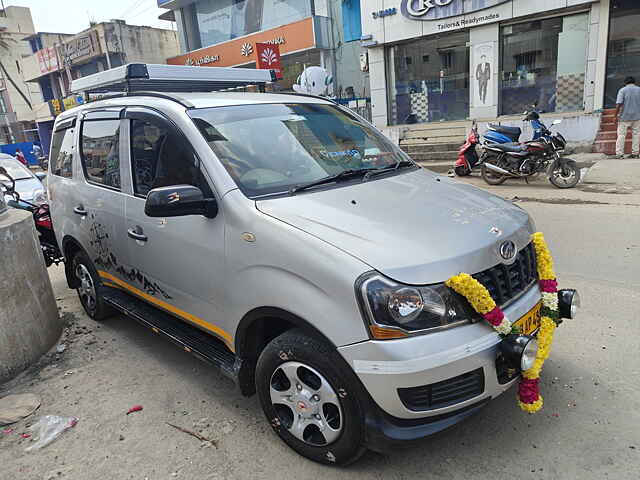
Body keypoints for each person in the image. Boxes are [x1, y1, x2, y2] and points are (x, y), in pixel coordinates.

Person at [614, 76, 640, 159]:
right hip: (637, 117)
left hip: (624, 117)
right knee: (636, 135)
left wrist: (615, 116)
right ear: (634, 82)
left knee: (621, 135)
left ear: (625, 83)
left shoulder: (622, 90)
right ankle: (635, 153)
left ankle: (619, 154)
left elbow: (618, 104)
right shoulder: (639, 89)